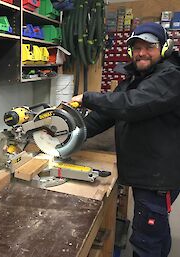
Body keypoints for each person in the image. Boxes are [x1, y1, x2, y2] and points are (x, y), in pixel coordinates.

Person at [71, 22, 180, 257]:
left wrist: (87, 98)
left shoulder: (171, 77)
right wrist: (72, 134)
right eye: (136, 47)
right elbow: (106, 115)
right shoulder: (135, 78)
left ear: (164, 48)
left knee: (146, 240)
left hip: (158, 177)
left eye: (149, 47)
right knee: (156, 232)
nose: (141, 53)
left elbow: (131, 105)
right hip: (146, 171)